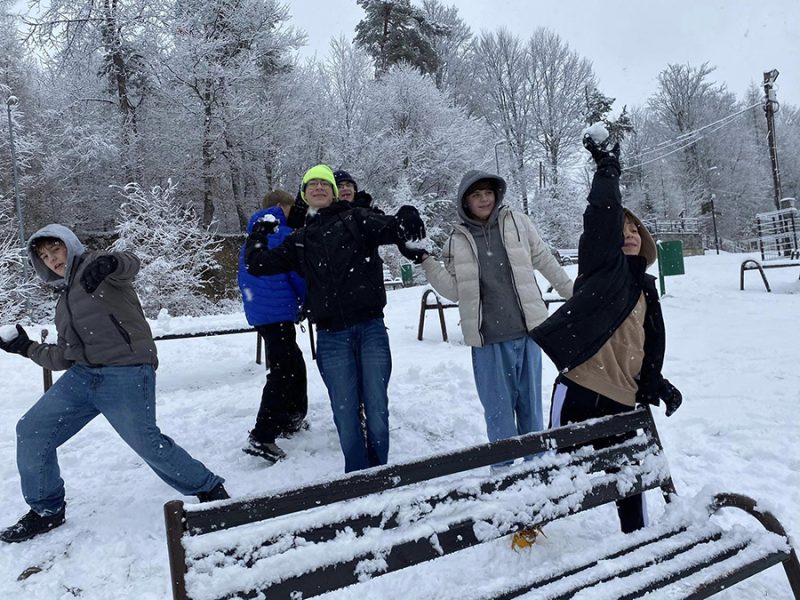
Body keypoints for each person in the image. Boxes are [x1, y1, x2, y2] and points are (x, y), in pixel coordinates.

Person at [0, 225, 228, 544]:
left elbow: (130, 262)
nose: (52, 259)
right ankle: (46, 510)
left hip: (127, 371)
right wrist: (25, 347)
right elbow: (64, 358)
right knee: (32, 430)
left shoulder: (99, 266)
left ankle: (211, 490)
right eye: (45, 256)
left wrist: (110, 263)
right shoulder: (63, 302)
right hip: (83, 377)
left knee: (145, 441)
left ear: (70, 244)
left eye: (56, 250)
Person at [530, 133, 683, 534]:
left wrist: (658, 383)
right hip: (580, 388)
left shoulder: (646, 291)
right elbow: (601, 214)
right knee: (558, 468)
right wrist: (606, 168)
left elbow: (639, 349)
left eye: (636, 231)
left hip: (622, 398)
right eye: (623, 229)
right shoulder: (602, 268)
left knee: (629, 479)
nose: (629, 234)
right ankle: (529, 527)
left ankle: (638, 539)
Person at [243, 164, 425, 473]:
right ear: (304, 194)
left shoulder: (357, 219)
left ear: (332, 190)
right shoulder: (299, 239)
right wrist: (257, 235)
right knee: (344, 413)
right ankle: (356, 475)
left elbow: (394, 228)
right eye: (311, 184)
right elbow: (259, 265)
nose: (318, 188)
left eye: (324, 183)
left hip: (370, 329)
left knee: (377, 408)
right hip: (331, 336)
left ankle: (379, 472)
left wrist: (406, 212)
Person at [409, 170, 574, 464]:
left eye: (487, 192)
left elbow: (544, 260)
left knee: (531, 409)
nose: (484, 199)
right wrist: (426, 261)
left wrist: (573, 292)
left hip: (528, 332)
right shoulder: (456, 240)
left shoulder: (518, 223)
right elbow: (454, 290)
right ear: (465, 202)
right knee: (498, 413)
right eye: (476, 195)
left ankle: (536, 469)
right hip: (487, 339)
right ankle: (505, 472)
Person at [238, 190, 307, 464]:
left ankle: (290, 418)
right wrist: (306, 300)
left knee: (291, 364)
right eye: (291, 206)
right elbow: (294, 273)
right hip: (276, 312)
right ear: (281, 206)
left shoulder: (256, 233)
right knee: (283, 372)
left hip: (265, 311)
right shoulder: (279, 231)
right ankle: (262, 435)